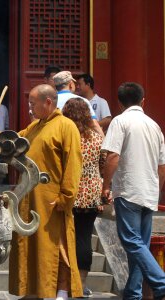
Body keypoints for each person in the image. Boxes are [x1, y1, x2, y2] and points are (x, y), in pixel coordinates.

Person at [0, 84, 83, 299]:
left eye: (32, 104)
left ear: (48, 102)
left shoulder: (66, 126)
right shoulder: (36, 126)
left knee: (57, 246)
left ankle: (61, 292)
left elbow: (73, 165)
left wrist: (65, 197)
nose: (30, 108)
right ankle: (33, 291)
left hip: (52, 199)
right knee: (30, 245)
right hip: (29, 196)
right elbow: (15, 141)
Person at [101, 82, 165, 300]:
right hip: (149, 191)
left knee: (131, 241)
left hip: (128, 189)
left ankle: (161, 282)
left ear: (119, 103)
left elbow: (112, 156)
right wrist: (157, 189)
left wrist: (105, 185)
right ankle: (133, 294)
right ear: (143, 101)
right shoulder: (154, 125)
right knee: (140, 246)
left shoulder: (120, 121)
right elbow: (162, 166)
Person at [62, 98, 106, 298]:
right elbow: (103, 164)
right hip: (90, 194)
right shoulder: (97, 139)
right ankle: (81, 284)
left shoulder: (66, 137)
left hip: (68, 193)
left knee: (64, 239)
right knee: (83, 238)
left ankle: (63, 283)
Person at [53, 71, 104, 137]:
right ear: (71, 84)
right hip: (76, 141)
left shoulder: (50, 101)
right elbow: (93, 124)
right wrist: (104, 140)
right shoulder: (82, 100)